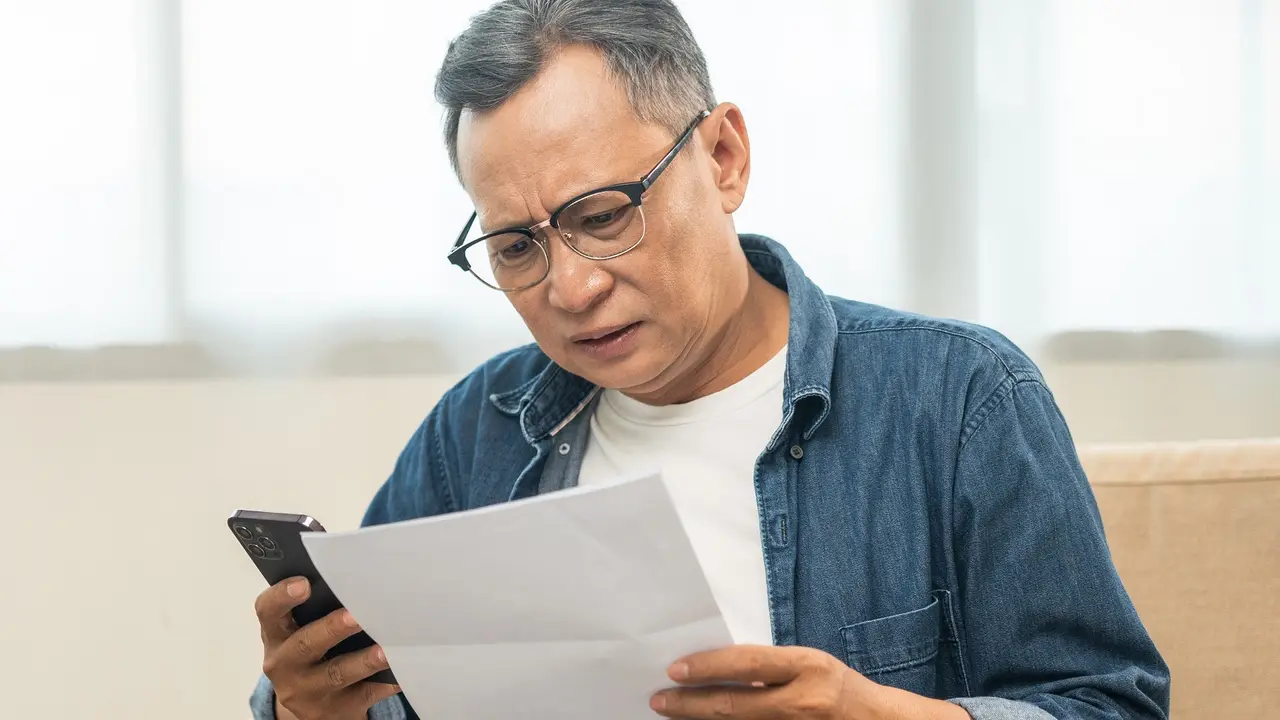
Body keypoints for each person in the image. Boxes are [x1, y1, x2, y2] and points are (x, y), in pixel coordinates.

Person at [249, 1, 1171, 718]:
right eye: (517, 248)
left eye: (603, 216)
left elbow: (1110, 704)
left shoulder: (959, 400)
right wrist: (302, 705)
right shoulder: (475, 433)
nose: (570, 288)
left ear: (724, 157)